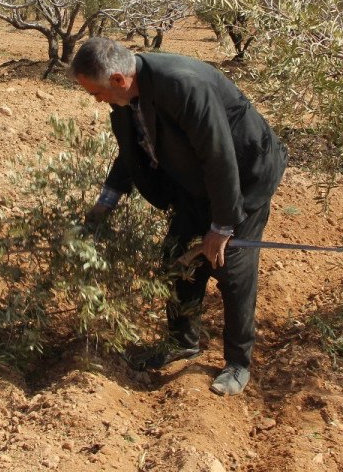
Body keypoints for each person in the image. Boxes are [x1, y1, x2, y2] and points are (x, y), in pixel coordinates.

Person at [70, 36, 287, 396]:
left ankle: (237, 361)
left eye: (97, 93)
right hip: (195, 180)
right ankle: (182, 341)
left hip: (245, 177)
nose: (97, 100)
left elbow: (220, 156)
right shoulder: (129, 97)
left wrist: (221, 226)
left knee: (231, 265)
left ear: (119, 80)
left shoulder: (184, 86)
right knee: (177, 254)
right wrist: (105, 203)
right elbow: (133, 151)